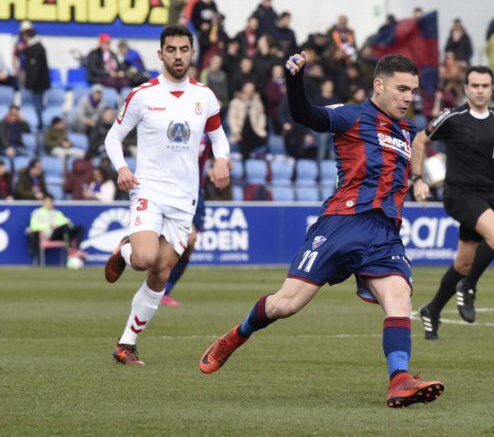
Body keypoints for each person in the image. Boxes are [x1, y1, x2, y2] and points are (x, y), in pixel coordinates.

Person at [198, 52, 445, 409]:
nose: (408, 98)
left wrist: (420, 179)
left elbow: (414, 156)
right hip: (342, 223)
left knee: (399, 300)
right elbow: (306, 115)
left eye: (413, 91)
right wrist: (295, 80)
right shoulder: (353, 115)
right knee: (285, 304)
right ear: (379, 85)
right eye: (401, 89)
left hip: (384, 233)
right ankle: (237, 335)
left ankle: (399, 380)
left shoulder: (406, 131)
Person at [102, 24, 231, 366]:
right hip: (149, 190)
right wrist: (122, 168)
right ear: (160, 54)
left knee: (160, 274)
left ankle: (126, 344)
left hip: (184, 199)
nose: (177, 55)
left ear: (192, 53)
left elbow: (219, 137)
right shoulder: (142, 95)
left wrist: (222, 160)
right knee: (144, 259)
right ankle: (125, 250)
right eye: (171, 50)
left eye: (183, 49)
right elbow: (113, 138)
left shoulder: (204, 96)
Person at [411, 66, 494, 339]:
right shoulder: (452, 117)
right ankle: (469, 287)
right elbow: (419, 140)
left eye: (485, 86)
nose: (479, 90)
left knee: (464, 263)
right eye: (474, 85)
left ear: (492, 89)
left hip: (486, 197)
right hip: (458, 195)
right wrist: (418, 179)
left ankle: (433, 309)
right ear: (465, 88)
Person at [162, 135, 212, 307]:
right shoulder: (182, 123)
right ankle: (159, 287)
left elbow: (219, 155)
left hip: (197, 193)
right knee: (187, 238)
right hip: (174, 189)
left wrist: (222, 162)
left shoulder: (212, 131)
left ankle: (164, 290)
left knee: (189, 245)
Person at [27, 194, 85, 259]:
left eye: (51, 201)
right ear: (43, 202)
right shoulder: (37, 212)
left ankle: (76, 249)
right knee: (64, 228)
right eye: (47, 201)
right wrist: (49, 226)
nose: (49, 203)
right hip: (48, 235)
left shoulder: (57, 213)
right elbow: (33, 226)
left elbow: (68, 223)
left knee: (80, 228)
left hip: (60, 233)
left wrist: (58, 225)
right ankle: (71, 250)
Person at [20, 23, 50, 129]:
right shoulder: (35, 47)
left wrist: (29, 85)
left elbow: (34, 70)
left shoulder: (36, 48)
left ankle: (40, 125)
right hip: (39, 84)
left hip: (38, 85)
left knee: (37, 106)